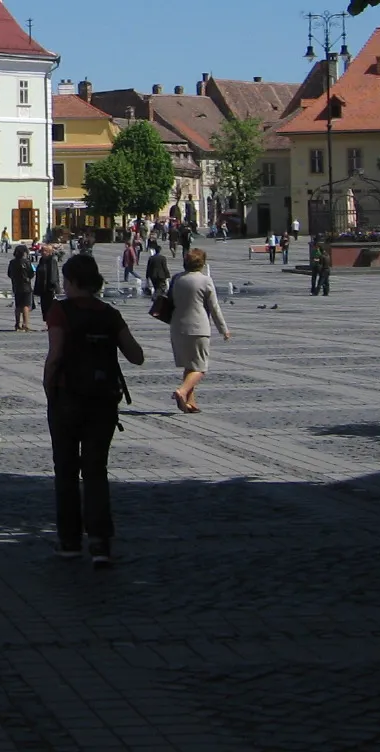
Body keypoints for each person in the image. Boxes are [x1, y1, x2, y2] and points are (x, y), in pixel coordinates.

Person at [44, 252, 145, 565]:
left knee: (66, 471)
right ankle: (100, 543)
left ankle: (69, 541)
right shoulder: (109, 313)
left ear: (73, 281)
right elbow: (136, 355)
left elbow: (56, 354)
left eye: (66, 280)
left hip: (67, 397)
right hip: (102, 399)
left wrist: (49, 388)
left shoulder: (60, 311)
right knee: (95, 470)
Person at [167, 247, 231, 414]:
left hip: (177, 328)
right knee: (200, 367)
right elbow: (214, 307)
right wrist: (223, 329)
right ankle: (182, 391)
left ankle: (190, 402)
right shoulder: (205, 280)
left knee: (189, 365)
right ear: (202, 263)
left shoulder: (176, 278)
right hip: (198, 328)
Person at [8, 244, 35, 331]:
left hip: (16, 286)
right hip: (26, 286)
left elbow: (9, 274)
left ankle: (17, 324)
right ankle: (25, 324)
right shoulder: (26, 262)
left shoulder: (12, 262)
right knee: (26, 305)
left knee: (18, 305)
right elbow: (31, 273)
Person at [36, 241, 63, 324]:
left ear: (50, 252)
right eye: (42, 251)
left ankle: (51, 324)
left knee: (50, 307)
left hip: (50, 288)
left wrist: (55, 287)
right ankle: (48, 323)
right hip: (43, 288)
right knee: (44, 308)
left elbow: (53, 274)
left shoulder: (52, 260)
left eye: (45, 251)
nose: (42, 253)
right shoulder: (41, 260)